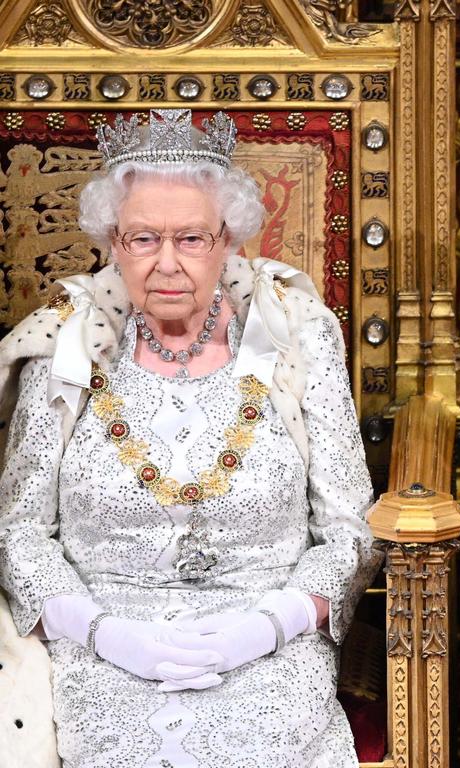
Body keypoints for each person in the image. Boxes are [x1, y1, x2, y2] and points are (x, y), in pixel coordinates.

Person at [0, 108, 380, 767]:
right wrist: (103, 633)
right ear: (113, 243)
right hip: (101, 655)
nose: (167, 263)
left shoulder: (293, 339)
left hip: (267, 654)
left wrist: (268, 627)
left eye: (192, 239)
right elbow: (19, 531)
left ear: (228, 240)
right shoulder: (69, 346)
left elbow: (351, 529)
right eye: (144, 239)